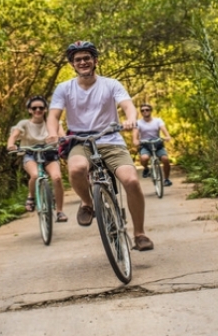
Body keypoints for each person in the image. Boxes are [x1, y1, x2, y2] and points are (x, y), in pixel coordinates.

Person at [45, 41, 154, 251]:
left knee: (131, 181)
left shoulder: (111, 84)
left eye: (87, 58)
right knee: (76, 169)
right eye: (78, 60)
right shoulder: (64, 88)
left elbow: (128, 106)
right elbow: (54, 115)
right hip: (80, 141)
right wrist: (51, 132)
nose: (83, 62)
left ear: (95, 61)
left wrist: (131, 119)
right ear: (73, 65)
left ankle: (139, 234)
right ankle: (88, 203)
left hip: (110, 139)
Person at [6, 95, 67, 222]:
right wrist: (11, 145)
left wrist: (60, 138)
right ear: (29, 110)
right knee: (35, 175)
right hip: (30, 154)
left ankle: (60, 211)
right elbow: (14, 136)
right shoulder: (24, 124)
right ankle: (31, 196)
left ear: (45, 109)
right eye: (34, 108)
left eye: (41, 107)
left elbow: (61, 135)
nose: (37, 110)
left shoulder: (53, 123)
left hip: (49, 153)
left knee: (57, 178)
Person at [132, 103, 174, 187]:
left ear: (151, 111)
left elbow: (164, 129)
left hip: (157, 143)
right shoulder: (138, 123)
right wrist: (135, 140)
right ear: (141, 112)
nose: (145, 111)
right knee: (144, 158)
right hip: (145, 144)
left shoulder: (158, 120)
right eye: (142, 110)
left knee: (165, 159)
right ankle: (146, 169)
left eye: (147, 110)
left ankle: (166, 179)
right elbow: (135, 134)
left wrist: (167, 136)